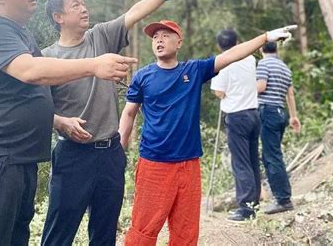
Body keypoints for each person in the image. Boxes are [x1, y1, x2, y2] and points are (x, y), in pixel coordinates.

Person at [0, 0, 136, 246]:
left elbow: (27, 95)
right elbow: (30, 71)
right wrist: (93, 65)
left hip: (20, 161)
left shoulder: (21, 34)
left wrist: (57, 120)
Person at [41, 0, 199, 246]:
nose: (84, 8)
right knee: (59, 233)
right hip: (72, 156)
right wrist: (59, 121)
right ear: (58, 17)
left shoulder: (100, 36)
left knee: (104, 233)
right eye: (75, 5)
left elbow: (135, 12)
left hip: (110, 152)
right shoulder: (46, 57)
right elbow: (36, 108)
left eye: (83, 3)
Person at [120, 20, 296, 245]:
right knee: (143, 229)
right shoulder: (143, 77)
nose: (159, 40)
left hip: (189, 165)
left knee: (186, 232)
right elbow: (128, 114)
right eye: (155, 37)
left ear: (179, 42)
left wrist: (265, 37)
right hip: (154, 164)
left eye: (165, 35)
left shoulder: (193, 71)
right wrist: (119, 150)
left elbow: (231, 55)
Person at [210, 29, 260, 222]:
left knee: (241, 162)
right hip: (253, 113)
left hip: (237, 115)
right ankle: (254, 203)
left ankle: (246, 208)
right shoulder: (249, 59)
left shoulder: (224, 61)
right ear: (238, 41)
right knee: (252, 159)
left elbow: (219, 91)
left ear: (219, 46)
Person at [257, 41, 301, 214]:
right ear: (277, 49)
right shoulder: (284, 67)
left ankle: (283, 200)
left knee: (271, 156)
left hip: (268, 112)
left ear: (261, 49)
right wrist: (293, 116)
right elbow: (290, 94)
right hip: (280, 113)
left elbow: (261, 87)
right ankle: (282, 197)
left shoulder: (263, 64)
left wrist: (241, 91)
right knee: (273, 154)